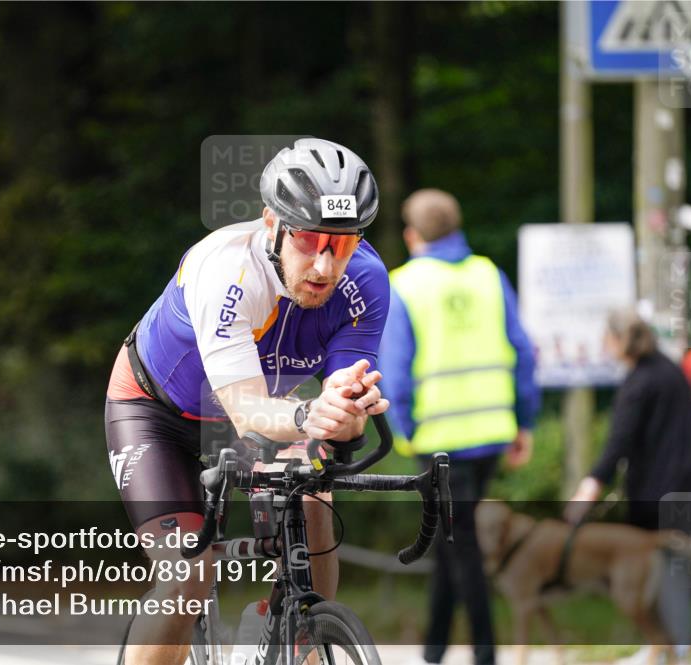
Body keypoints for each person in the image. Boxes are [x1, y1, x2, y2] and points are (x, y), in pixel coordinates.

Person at [105, 138, 392, 665]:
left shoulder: (367, 283)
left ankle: (307, 635)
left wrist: (348, 416)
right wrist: (312, 415)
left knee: (314, 497)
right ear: (272, 223)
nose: (325, 266)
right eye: (308, 239)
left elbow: (340, 407)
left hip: (268, 410)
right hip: (158, 412)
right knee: (188, 576)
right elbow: (247, 411)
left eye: (344, 244)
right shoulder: (226, 270)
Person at [378, 188, 540, 665]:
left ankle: (485, 654)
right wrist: (523, 422)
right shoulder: (489, 274)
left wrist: (403, 431)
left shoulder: (403, 284)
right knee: (453, 540)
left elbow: (397, 368)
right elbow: (523, 352)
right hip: (492, 434)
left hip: (438, 441)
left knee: (460, 545)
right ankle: (434, 648)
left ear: (412, 235)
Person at [566, 309, 691, 665]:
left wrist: (590, 487)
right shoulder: (669, 369)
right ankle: (670, 648)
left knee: (660, 572)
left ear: (619, 341)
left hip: (658, 492)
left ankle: (670, 651)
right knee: (673, 572)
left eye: (608, 339)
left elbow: (619, 442)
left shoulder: (639, 382)